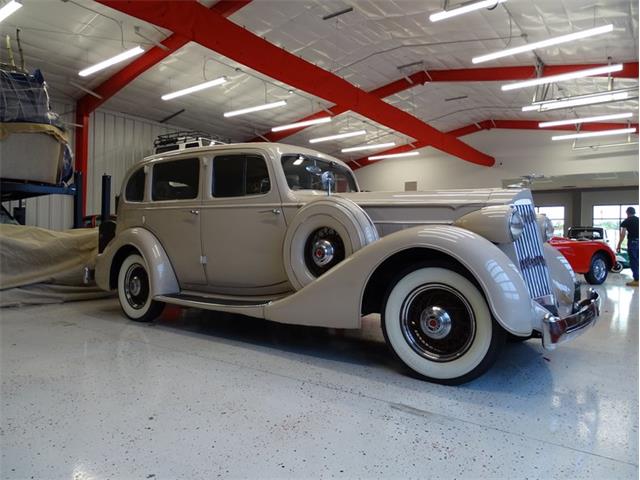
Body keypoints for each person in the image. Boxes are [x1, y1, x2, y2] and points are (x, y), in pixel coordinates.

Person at [617, 206, 639, 287]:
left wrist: (619, 244)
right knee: (637, 260)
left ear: (627, 212)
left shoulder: (627, 221)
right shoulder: (638, 219)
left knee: (633, 261)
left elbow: (623, 234)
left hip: (632, 242)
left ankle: (637, 280)